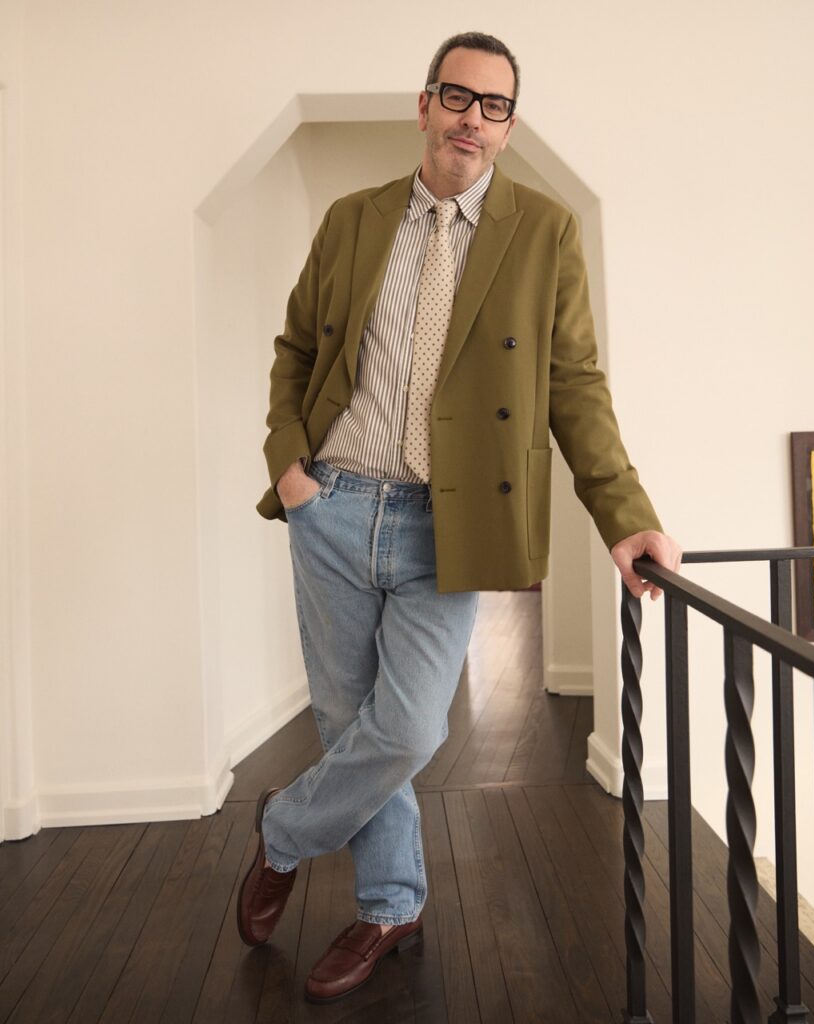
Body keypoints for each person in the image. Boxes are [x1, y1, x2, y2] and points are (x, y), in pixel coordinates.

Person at [237, 31, 682, 1003]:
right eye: (456, 96)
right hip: (335, 506)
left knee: (403, 729)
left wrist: (625, 514)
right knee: (350, 719)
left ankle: (280, 830)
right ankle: (392, 904)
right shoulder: (353, 220)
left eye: (492, 105)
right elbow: (291, 351)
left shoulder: (545, 231)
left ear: (509, 127)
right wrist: (290, 466)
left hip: (458, 523)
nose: (470, 118)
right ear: (425, 104)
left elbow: (574, 384)